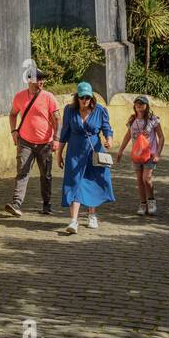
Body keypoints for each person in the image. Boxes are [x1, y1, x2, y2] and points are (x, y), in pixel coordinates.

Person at [6, 59, 60, 217]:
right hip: (25, 142)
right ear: (29, 80)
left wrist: (56, 139)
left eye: (43, 79)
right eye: (38, 78)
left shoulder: (49, 97)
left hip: (45, 143)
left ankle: (46, 204)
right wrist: (13, 131)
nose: (41, 81)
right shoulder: (20, 97)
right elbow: (12, 114)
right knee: (22, 171)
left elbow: (57, 119)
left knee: (46, 175)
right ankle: (16, 203)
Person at [57, 83, 114, 233]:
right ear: (77, 97)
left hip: (93, 152)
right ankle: (73, 221)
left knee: (92, 181)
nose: (85, 100)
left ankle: (92, 215)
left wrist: (109, 139)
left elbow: (107, 128)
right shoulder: (70, 111)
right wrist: (59, 153)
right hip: (75, 152)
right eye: (82, 97)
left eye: (87, 97)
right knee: (73, 183)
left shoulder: (100, 110)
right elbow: (65, 133)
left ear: (91, 97)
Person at [116, 94, 165, 216]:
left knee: (146, 179)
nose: (139, 106)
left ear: (146, 106)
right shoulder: (132, 120)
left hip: (150, 154)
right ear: (134, 105)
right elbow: (128, 136)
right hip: (137, 155)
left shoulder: (153, 119)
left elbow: (161, 137)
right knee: (139, 180)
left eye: (142, 104)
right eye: (137, 103)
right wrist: (121, 150)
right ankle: (143, 204)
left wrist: (158, 153)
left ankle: (152, 201)